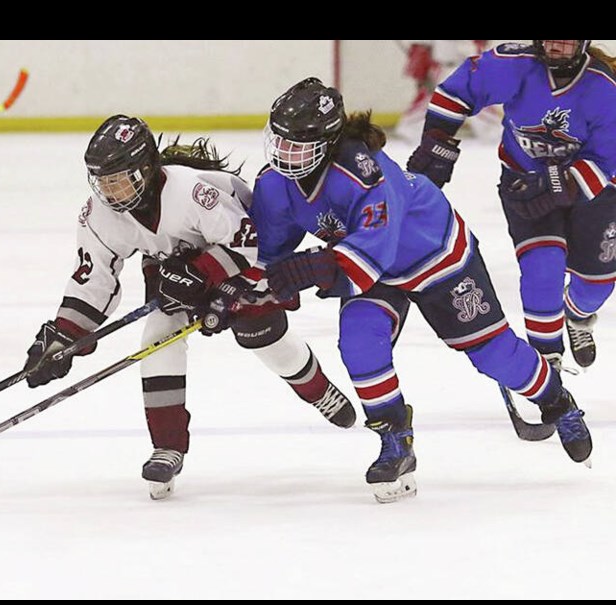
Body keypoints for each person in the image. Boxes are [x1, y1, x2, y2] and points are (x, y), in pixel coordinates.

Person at [244, 77, 592, 504]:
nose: (284, 154)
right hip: (373, 270)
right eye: (280, 141)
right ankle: (395, 440)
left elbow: (375, 248)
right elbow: (269, 256)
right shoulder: (274, 183)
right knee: (359, 343)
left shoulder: (362, 172)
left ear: (328, 141)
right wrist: (237, 291)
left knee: (493, 353)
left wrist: (314, 267)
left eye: (297, 145)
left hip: (434, 255)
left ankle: (557, 401)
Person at [21, 114, 357, 500]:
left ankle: (318, 391)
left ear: (147, 168)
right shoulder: (100, 215)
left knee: (262, 337)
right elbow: (94, 278)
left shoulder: (193, 192)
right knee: (157, 337)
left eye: (119, 178)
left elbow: (247, 243)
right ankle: (167, 447)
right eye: (103, 181)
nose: (110, 192)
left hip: (239, 265)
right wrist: (65, 335)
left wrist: (201, 272)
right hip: (170, 264)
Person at [406, 40, 616, 371]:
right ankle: (549, 365)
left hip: (594, 193)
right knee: (542, 268)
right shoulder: (515, 64)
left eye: (566, 40)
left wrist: (559, 185)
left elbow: (608, 160)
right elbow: (458, 91)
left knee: (597, 282)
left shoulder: (605, 88)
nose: (555, 46)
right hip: (525, 182)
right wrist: (438, 142)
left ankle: (577, 315)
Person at [393, 40, 502, 144]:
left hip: (466, 66)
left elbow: (480, 45)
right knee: (428, 99)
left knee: (476, 100)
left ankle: (494, 133)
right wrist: (422, 69)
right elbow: (422, 45)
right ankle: (409, 131)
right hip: (442, 67)